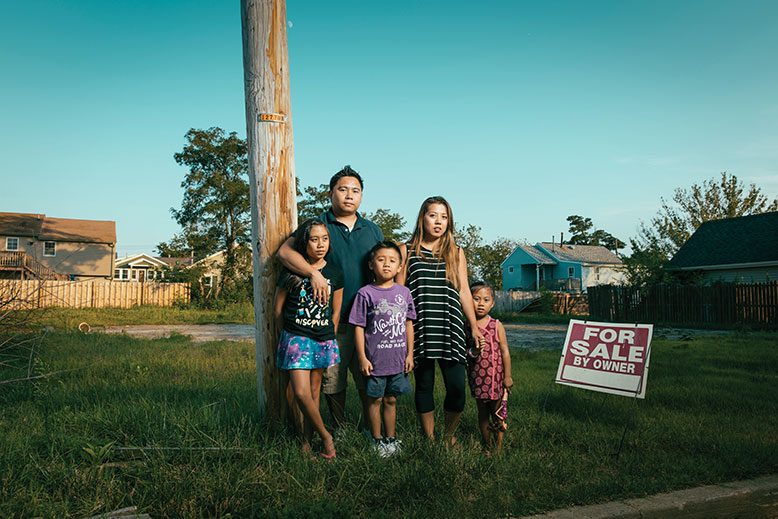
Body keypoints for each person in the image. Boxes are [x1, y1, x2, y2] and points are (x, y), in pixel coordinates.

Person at [278, 166, 384, 428]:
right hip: (328, 321)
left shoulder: (372, 230)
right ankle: (339, 428)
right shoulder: (318, 226)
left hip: (367, 321)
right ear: (331, 193)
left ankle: (372, 430)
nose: (349, 195)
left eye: (355, 190)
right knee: (333, 382)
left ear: (362, 195)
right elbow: (284, 253)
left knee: (367, 378)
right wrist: (313, 274)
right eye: (343, 189)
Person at [397, 196, 485, 445]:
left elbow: (464, 290)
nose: (438, 221)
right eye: (433, 215)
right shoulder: (407, 250)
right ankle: (430, 438)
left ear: (450, 221)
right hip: (420, 326)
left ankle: (448, 437)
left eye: (444, 216)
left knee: (457, 387)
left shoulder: (456, 252)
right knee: (424, 385)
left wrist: (474, 326)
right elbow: (400, 292)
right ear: (422, 218)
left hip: (450, 326)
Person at [274, 219, 343, 459]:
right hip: (296, 338)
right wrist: (290, 334)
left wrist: (328, 334)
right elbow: (277, 310)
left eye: (324, 239)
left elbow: (335, 311)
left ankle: (306, 443)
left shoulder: (335, 271)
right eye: (314, 239)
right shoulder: (292, 270)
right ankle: (326, 436)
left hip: (322, 339)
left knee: (314, 394)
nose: (320, 244)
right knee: (301, 392)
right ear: (305, 242)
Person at [349, 241, 416, 457]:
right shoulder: (365, 293)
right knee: (374, 400)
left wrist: (410, 354)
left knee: (391, 399)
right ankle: (376, 439)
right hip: (375, 361)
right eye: (381, 259)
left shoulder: (404, 293)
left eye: (392, 260)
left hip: (397, 360)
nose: (386, 264)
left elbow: (408, 324)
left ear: (399, 267)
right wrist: (362, 357)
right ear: (371, 265)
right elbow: (358, 327)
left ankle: (391, 438)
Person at [467, 281, 513, 453]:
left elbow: (505, 351)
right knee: (482, 413)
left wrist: (507, 376)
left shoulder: (496, 325)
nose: (480, 303)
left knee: (498, 412)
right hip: (478, 378)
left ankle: (498, 448)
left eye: (486, 300)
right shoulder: (468, 326)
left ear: (492, 303)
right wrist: (474, 350)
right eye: (476, 299)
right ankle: (487, 445)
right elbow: (466, 353)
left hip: (496, 378)